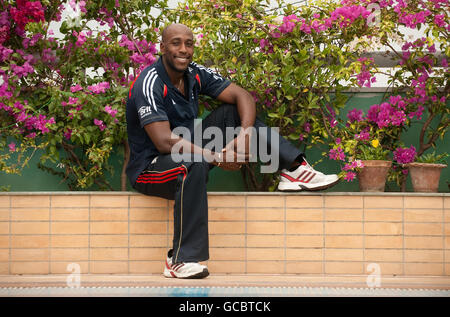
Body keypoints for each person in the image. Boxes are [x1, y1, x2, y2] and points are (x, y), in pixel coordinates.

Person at [126, 23, 339, 279]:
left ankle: (293, 169)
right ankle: (180, 259)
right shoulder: (148, 83)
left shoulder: (193, 74)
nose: (184, 49)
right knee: (191, 161)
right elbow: (163, 141)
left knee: (231, 114)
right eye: (176, 43)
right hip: (150, 169)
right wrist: (216, 156)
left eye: (189, 43)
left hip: (187, 154)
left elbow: (242, 95)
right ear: (162, 48)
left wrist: (245, 133)